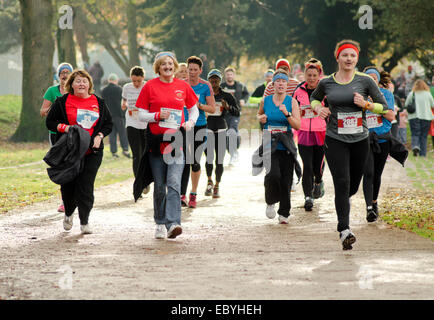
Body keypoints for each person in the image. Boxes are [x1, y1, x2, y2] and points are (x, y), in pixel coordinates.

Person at [310, 39, 388, 250]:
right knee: (342, 182)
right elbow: (314, 99)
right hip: (335, 139)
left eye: (352, 56)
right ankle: (344, 229)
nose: (349, 59)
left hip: (360, 140)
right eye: (345, 55)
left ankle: (345, 205)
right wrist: (319, 109)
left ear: (357, 59)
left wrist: (367, 104)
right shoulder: (327, 82)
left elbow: (384, 107)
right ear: (338, 57)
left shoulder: (365, 81)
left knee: (352, 185)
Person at [135, 51, 199, 239]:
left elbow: (193, 110)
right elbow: (140, 114)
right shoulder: (149, 86)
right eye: (164, 64)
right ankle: (160, 222)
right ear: (158, 67)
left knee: (173, 182)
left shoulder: (182, 86)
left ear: (175, 66)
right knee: (160, 185)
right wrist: (156, 116)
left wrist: (190, 122)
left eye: (170, 64)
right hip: (156, 143)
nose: (168, 67)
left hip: (176, 142)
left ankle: (173, 224)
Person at [46, 69, 113, 234]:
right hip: (70, 151)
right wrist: (66, 128)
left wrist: (99, 135)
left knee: (85, 185)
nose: (81, 83)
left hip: (92, 151)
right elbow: (50, 122)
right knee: (68, 184)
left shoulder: (99, 102)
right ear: (71, 85)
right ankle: (68, 212)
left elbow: (108, 123)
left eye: (84, 80)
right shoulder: (62, 102)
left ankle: (85, 221)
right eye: (78, 81)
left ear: (90, 84)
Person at [256, 68, 301, 224]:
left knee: (286, 179)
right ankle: (270, 201)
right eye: (278, 81)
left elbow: (298, 125)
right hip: (270, 142)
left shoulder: (292, 102)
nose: (281, 84)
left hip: (286, 143)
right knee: (272, 175)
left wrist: (287, 114)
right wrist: (261, 118)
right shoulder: (266, 100)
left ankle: (284, 213)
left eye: (283, 81)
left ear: (287, 84)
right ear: (273, 84)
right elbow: (259, 114)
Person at [179, 56, 216, 208]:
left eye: (195, 70)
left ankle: (193, 193)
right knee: (183, 160)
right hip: (182, 126)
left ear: (200, 71)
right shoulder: (181, 85)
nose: (192, 72)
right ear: (186, 70)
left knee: (194, 161)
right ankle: (182, 194)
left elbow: (212, 108)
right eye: (190, 69)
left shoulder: (205, 86)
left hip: (199, 126)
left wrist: (198, 105)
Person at [361, 67, 396, 222]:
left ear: (377, 80)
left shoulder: (386, 94)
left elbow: (391, 115)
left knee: (377, 173)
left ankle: (374, 202)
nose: (372, 80)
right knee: (368, 173)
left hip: (382, 139)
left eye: (374, 78)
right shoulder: (359, 96)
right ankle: (369, 207)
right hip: (365, 139)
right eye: (369, 78)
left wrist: (373, 105)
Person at [292, 58, 327, 212]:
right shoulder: (298, 91)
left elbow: (331, 108)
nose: (312, 78)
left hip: (321, 131)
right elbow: (293, 108)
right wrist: (298, 113)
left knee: (317, 166)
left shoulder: (325, 90)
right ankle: (308, 196)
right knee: (307, 164)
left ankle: (318, 181)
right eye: (309, 75)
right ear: (305, 76)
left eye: (314, 75)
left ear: (318, 76)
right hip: (304, 131)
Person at [40, 62, 73, 213]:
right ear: (58, 76)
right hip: (56, 134)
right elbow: (43, 111)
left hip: (72, 133)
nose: (64, 75)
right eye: (62, 73)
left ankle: (74, 196)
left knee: (72, 163)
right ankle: (64, 201)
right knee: (61, 165)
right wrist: (54, 108)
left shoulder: (75, 91)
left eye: (67, 72)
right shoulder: (52, 91)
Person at [205, 69, 240, 198]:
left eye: (216, 79)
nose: (214, 81)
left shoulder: (227, 95)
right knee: (209, 158)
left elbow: (237, 112)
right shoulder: (205, 95)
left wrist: (228, 107)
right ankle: (209, 181)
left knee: (219, 160)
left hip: (221, 128)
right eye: (211, 79)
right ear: (208, 81)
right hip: (207, 128)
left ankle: (217, 185)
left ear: (220, 81)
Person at [122, 66, 148, 188]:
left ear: (143, 78)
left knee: (145, 153)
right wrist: (123, 105)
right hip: (131, 122)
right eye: (134, 81)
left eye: (139, 81)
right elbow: (124, 101)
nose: (136, 84)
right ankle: (139, 183)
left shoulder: (147, 86)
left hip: (145, 123)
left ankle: (146, 178)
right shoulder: (127, 87)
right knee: (136, 154)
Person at [221, 66, 249, 165]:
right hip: (223, 114)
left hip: (235, 112)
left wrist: (243, 100)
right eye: (228, 74)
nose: (229, 76)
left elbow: (246, 94)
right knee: (227, 134)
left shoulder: (240, 86)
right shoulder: (221, 86)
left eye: (231, 74)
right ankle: (233, 151)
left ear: (234, 75)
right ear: (225, 76)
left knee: (232, 130)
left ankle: (233, 155)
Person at [102, 73, 130, 159]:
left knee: (112, 134)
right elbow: (123, 102)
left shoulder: (104, 90)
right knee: (122, 133)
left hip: (109, 116)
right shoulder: (119, 89)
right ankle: (125, 149)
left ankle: (113, 152)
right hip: (119, 115)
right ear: (116, 80)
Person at [405, 79, 434, 157]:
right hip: (426, 117)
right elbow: (432, 104)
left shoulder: (412, 93)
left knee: (415, 133)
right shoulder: (428, 94)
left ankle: (415, 146)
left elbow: (406, 104)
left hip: (414, 117)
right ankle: (423, 154)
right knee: (424, 136)